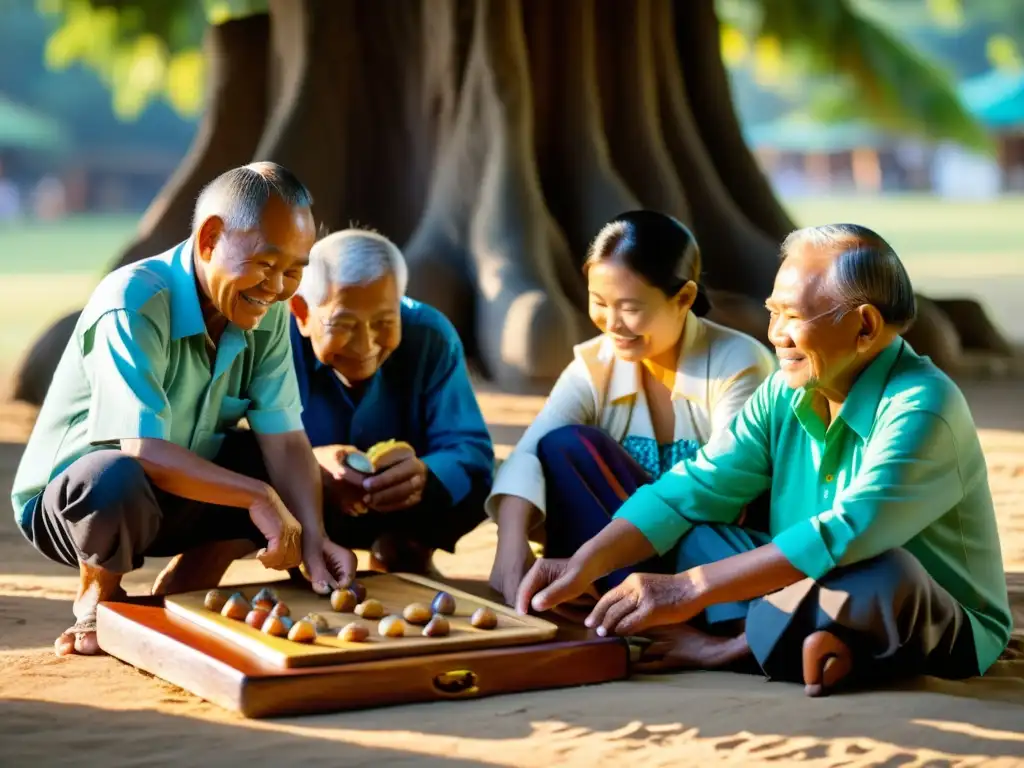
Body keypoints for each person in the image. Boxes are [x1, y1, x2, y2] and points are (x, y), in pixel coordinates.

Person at [516, 224, 1012, 696]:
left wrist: (688, 589)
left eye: (794, 317)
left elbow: (847, 532)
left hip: (921, 611)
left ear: (864, 325)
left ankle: (733, 647)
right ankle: (813, 644)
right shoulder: (783, 389)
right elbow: (699, 484)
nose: (776, 333)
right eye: (773, 312)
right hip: (795, 581)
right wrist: (585, 561)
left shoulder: (924, 406)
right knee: (691, 529)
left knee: (887, 574)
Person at [12, 162, 355, 657]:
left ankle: (187, 589)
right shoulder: (133, 300)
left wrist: (315, 539)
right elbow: (144, 450)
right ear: (210, 238)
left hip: (179, 485)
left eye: (294, 271)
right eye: (265, 263)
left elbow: (283, 437)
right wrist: (257, 495)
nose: (277, 287)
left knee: (271, 461)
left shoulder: (269, 312)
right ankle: (99, 599)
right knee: (116, 476)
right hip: (78, 504)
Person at [487, 210, 777, 605]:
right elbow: (528, 453)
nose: (612, 323)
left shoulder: (740, 362)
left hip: (706, 559)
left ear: (685, 298)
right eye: (599, 302)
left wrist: (595, 555)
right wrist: (511, 543)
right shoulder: (595, 364)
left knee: (703, 530)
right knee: (564, 446)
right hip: (616, 557)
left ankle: (619, 593)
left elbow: (722, 482)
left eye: (629, 307)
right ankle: (604, 592)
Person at [288, 228, 494, 575]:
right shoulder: (274, 342)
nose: (365, 346)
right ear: (302, 312)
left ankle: (404, 548)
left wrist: (425, 475)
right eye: (344, 324)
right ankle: (304, 551)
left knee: (479, 480)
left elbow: (468, 448)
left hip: (402, 508)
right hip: (305, 501)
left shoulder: (431, 334)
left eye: (384, 322)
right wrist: (309, 465)